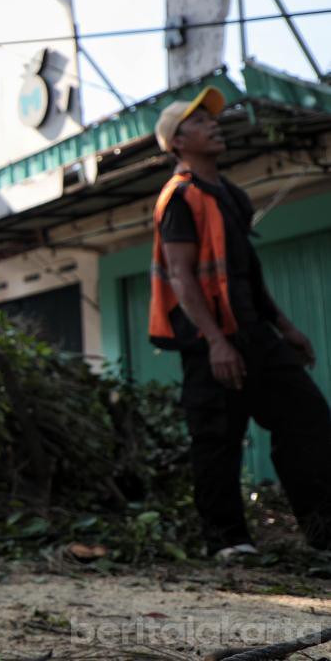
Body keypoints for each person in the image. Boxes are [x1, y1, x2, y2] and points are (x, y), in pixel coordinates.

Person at [149, 86, 331, 559]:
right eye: (199, 121)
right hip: (208, 341)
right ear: (177, 142)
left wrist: (284, 326)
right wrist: (215, 342)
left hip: (254, 333)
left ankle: (323, 532)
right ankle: (228, 542)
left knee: (308, 417)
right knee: (217, 439)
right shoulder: (179, 197)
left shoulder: (231, 195)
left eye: (212, 118)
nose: (213, 124)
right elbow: (181, 276)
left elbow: (245, 271)